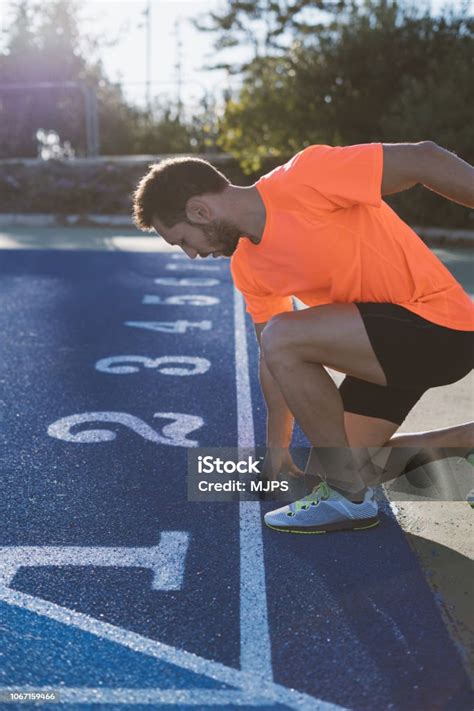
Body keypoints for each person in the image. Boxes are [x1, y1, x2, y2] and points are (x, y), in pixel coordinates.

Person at [132, 141, 474, 533]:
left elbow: (423, 158)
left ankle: (348, 500)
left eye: (183, 241)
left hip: (443, 328)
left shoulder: (305, 178)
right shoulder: (248, 267)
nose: (191, 255)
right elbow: (272, 357)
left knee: (285, 337)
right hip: (386, 346)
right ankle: (465, 441)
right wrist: (277, 443)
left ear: (200, 211)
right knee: (336, 466)